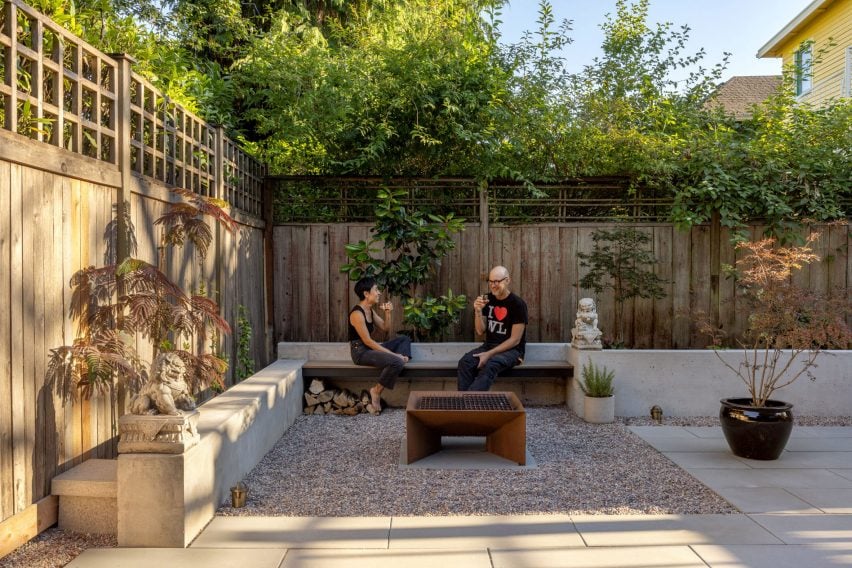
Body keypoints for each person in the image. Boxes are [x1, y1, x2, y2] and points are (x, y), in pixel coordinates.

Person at [457, 266, 528, 391]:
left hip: (512, 351)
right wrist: (478, 311)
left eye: (497, 281)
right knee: (465, 363)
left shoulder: (518, 304)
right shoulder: (487, 299)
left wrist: (488, 354)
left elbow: (515, 340)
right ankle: (465, 404)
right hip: (489, 346)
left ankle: (469, 403)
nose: (493, 285)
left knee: (490, 364)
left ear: (507, 280)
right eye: (491, 281)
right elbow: (480, 331)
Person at [349, 277, 411, 412]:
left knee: (404, 339)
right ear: (366, 294)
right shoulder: (357, 314)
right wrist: (395, 355)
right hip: (360, 352)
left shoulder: (370, 310)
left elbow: (385, 328)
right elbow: (368, 341)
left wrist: (388, 313)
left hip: (370, 349)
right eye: (376, 290)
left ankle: (402, 358)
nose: (379, 293)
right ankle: (376, 391)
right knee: (397, 362)